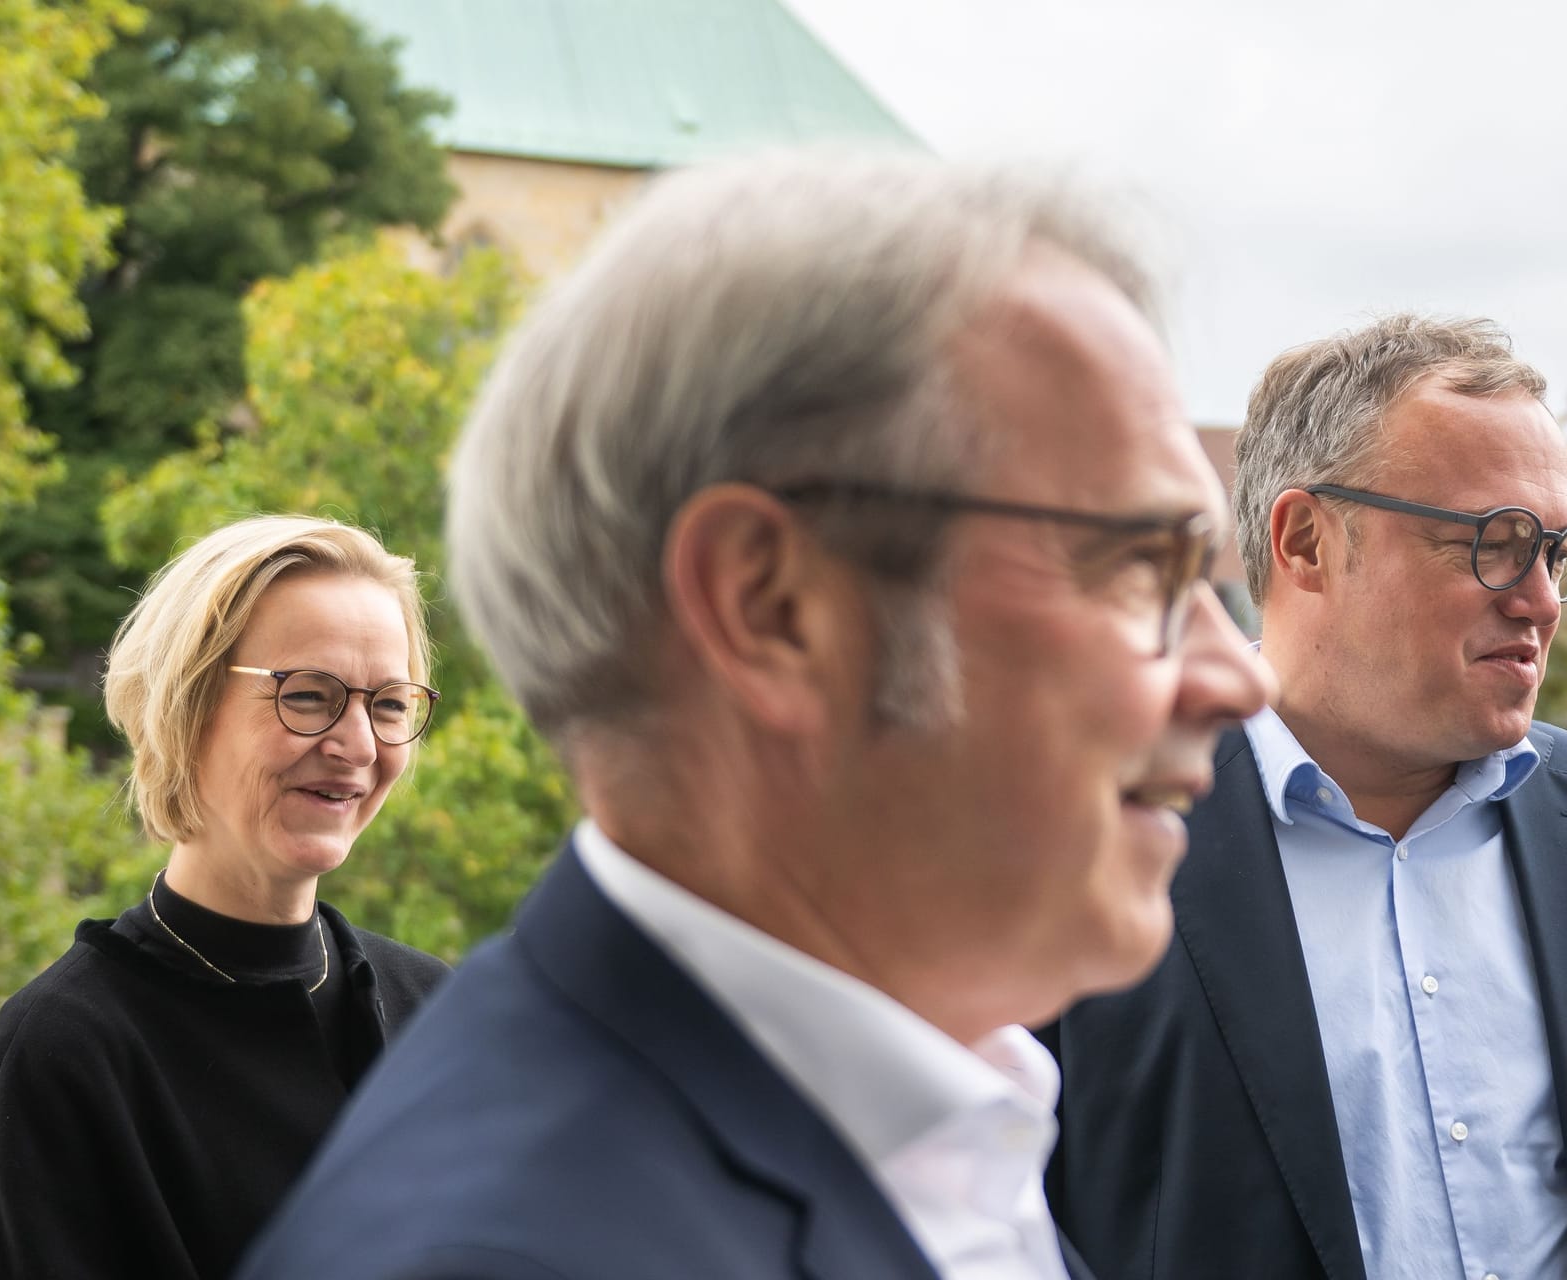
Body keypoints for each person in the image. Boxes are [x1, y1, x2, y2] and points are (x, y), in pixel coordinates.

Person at [237, 149, 1276, 1280]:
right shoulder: (510, 1251)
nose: (1241, 680)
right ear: (771, 607)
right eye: (1140, 567)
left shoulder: (928, 1119)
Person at [1046, 314, 1567, 1280]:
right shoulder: (1080, 840)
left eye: (1556, 549)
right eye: (1494, 543)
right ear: (1306, 543)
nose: (1539, 597)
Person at [0, 515, 451, 1279]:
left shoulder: (436, 1012)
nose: (359, 745)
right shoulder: (66, 1054)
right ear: (187, 707)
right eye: (309, 695)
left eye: (390, 704)